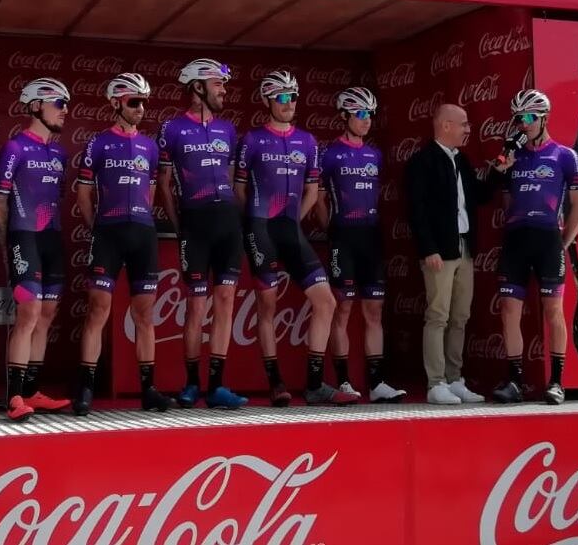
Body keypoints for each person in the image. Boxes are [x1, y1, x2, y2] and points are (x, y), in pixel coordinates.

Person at [235, 70, 358, 407]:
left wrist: (293, 222)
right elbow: (239, 190)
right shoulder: (252, 140)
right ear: (267, 100)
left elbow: (312, 191)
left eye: (293, 97)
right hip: (260, 227)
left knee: (326, 301)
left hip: (290, 228)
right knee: (267, 305)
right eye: (282, 97)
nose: (289, 103)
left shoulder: (307, 141)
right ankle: (276, 383)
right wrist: (253, 224)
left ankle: (315, 385)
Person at [73, 73, 173, 415]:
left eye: (144, 102)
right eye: (134, 102)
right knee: (98, 309)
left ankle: (149, 390)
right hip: (108, 233)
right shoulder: (98, 143)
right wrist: (97, 228)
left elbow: (151, 192)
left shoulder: (150, 147)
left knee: (145, 314)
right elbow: (83, 194)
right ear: (116, 103)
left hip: (143, 233)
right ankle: (86, 388)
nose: (141, 108)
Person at [157, 58, 248, 410]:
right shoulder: (172, 128)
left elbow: (231, 179)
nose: (224, 90)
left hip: (227, 222)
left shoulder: (228, 130)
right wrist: (179, 224)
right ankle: (192, 383)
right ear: (197, 87)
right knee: (196, 305)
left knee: (225, 301)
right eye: (217, 84)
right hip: (194, 223)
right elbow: (164, 183)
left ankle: (218, 385)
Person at [492, 90, 578, 405]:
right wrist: (503, 164)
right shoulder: (512, 154)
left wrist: (562, 243)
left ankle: (557, 382)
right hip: (516, 239)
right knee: (509, 310)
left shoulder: (564, 156)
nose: (524, 123)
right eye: (519, 118)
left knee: (553, 310)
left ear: (544, 118)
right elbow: (505, 199)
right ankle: (515, 382)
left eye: (530, 117)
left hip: (549, 240)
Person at [316, 87, 406, 403]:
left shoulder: (374, 154)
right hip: (343, 237)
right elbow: (320, 199)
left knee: (374, 310)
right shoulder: (330, 154)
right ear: (344, 116)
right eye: (361, 114)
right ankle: (343, 381)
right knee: (343, 308)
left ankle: (377, 383)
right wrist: (331, 230)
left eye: (371, 114)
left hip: (371, 236)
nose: (367, 120)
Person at [0, 78, 73, 421]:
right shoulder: (15, 148)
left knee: (47, 314)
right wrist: (7, 245)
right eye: (59, 104)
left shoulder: (59, 153)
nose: (65, 111)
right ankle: (14, 396)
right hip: (23, 236)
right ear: (36, 105)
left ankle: (32, 391)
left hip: (51, 238)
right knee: (29, 312)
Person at [406, 104, 497, 405]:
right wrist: (428, 248)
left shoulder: (462, 160)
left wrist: (499, 170)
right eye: (463, 124)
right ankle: (436, 383)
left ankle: (455, 378)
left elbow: (480, 196)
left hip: (464, 247)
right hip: (439, 251)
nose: (468, 129)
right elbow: (416, 210)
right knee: (438, 315)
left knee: (460, 316)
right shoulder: (422, 161)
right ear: (445, 125)